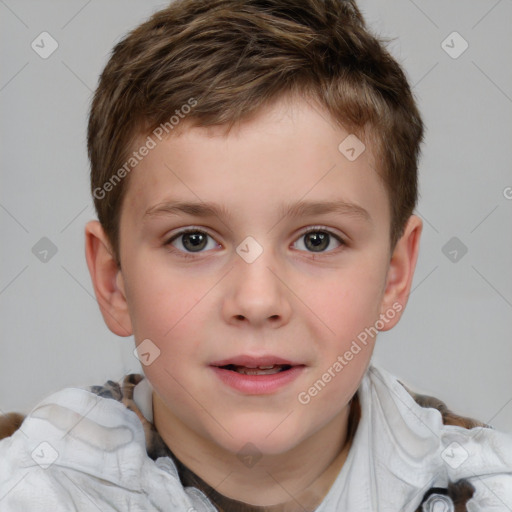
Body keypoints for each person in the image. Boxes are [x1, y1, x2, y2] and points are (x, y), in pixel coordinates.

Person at [0, 0, 511, 510]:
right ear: (114, 281)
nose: (258, 300)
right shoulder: (29, 484)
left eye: (317, 240)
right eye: (194, 240)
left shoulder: (488, 490)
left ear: (395, 277)